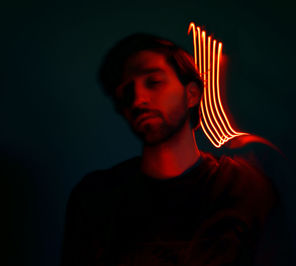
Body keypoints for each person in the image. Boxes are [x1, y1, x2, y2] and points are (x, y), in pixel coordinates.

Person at [61, 33, 277, 266]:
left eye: (153, 82)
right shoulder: (96, 197)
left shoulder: (242, 188)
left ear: (192, 94)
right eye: (126, 91)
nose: (138, 99)